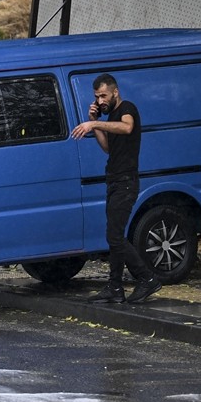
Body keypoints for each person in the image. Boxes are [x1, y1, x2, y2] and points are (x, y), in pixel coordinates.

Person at [70, 74, 162, 304]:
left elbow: (128, 127)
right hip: (113, 180)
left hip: (126, 182)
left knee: (114, 235)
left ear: (115, 92)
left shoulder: (127, 108)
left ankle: (147, 278)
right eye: (97, 97)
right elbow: (108, 148)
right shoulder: (110, 116)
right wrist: (95, 123)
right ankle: (115, 287)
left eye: (103, 95)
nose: (101, 100)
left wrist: (94, 123)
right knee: (114, 236)